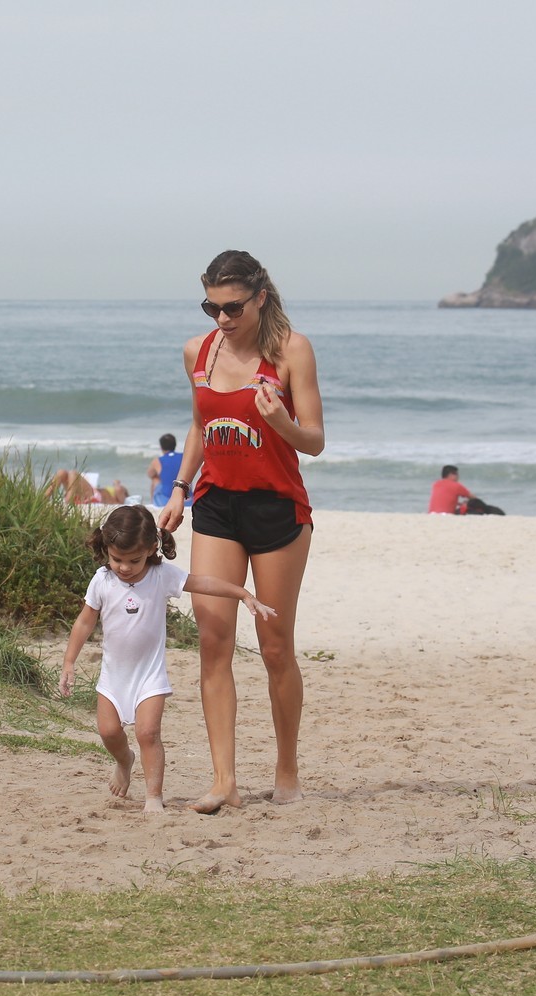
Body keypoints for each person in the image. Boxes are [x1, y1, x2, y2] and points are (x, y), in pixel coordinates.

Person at [156, 250, 324, 813]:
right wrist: (180, 487)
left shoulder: (291, 350)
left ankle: (286, 770)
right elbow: (201, 423)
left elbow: (315, 440)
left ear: (260, 297)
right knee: (213, 641)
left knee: (276, 648)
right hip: (217, 506)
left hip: (278, 511)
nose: (221, 319)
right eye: (211, 306)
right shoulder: (197, 351)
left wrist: (282, 423)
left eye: (232, 307)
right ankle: (223, 780)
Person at [60, 505, 275, 812]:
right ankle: (125, 761)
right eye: (116, 559)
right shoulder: (102, 581)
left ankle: (153, 798)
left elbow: (202, 583)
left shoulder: (161, 576)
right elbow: (84, 622)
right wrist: (69, 663)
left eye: (133, 560)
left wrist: (241, 593)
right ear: (106, 550)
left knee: (148, 733)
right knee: (108, 732)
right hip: (112, 676)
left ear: (150, 548)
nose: (123, 567)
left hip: (149, 676)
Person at [428, 465, 503, 515]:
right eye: (457, 474)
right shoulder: (456, 485)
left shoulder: (436, 484)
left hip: (432, 514)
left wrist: (459, 503)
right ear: (451, 475)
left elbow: (444, 498)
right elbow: (473, 498)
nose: (458, 477)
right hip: (446, 514)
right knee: (474, 506)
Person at [147, 433, 187, 508]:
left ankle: (153, 503)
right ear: (175, 445)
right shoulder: (184, 456)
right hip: (186, 498)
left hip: (166, 500)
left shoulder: (158, 460)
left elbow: (150, 474)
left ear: (161, 447)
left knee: (155, 479)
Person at [50, 468, 129, 505]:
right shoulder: (113, 492)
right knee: (62, 472)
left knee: (73, 473)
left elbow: (119, 492)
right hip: (87, 495)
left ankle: (69, 498)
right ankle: (44, 498)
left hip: (95, 497)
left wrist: (117, 483)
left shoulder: (119, 493)